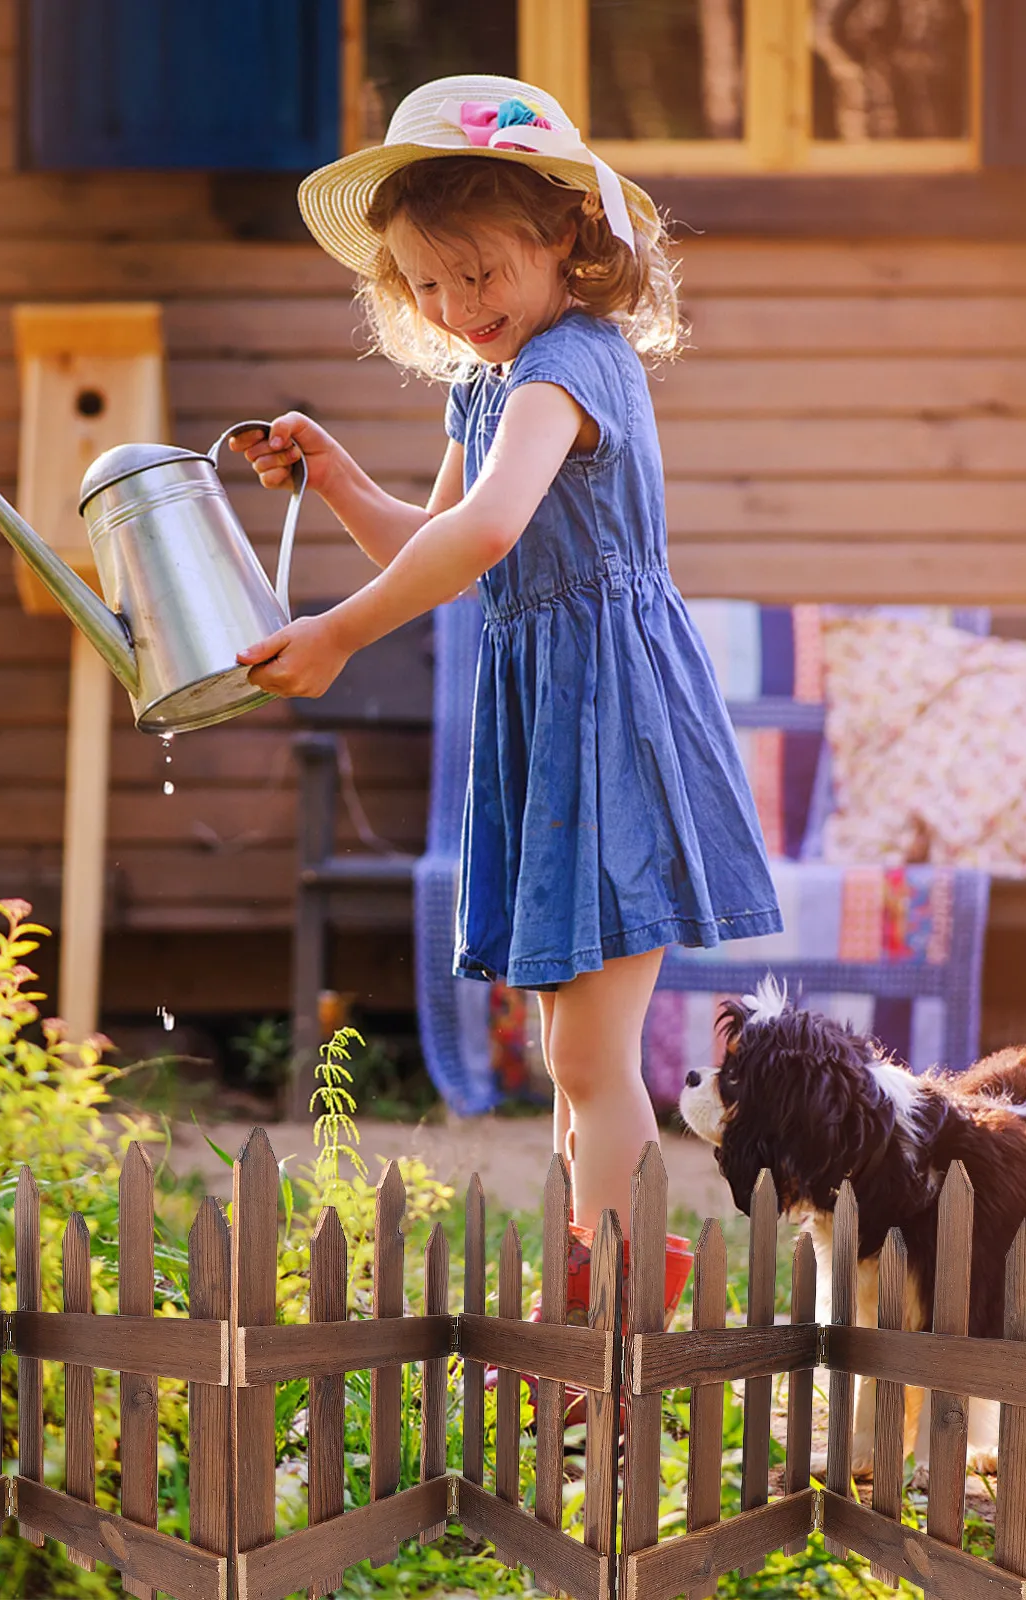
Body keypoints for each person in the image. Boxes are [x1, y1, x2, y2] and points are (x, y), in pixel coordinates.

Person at [233, 75, 781, 1232]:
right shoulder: (487, 389)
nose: (455, 303)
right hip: (550, 730)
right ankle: (598, 1285)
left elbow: (486, 528)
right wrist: (333, 477)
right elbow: (441, 543)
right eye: (426, 283)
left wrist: (337, 633)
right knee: (562, 1048)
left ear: (565, 235)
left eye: (478, 271)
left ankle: (618, 1317)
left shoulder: (572, 365)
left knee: (590, 1056)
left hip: (617, 723)